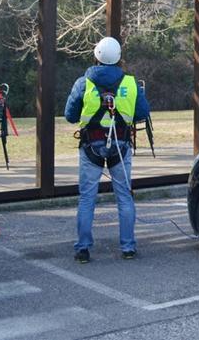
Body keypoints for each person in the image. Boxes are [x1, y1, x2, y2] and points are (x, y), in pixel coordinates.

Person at [64, 36, 150, 263]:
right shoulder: (130, 83)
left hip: (91, 146)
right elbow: (142, 113)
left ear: (96, 56)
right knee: (124, 197)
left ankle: (83, 249)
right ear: (119, 58)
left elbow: (70, 116)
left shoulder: (83, 82)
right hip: (120, 146)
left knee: (87, 199)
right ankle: (128, 247)